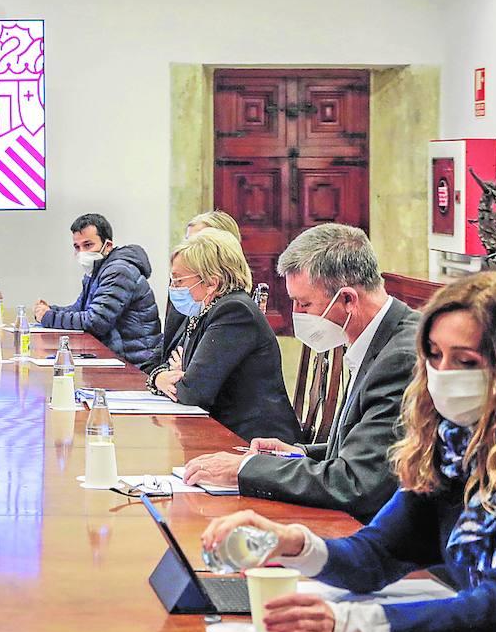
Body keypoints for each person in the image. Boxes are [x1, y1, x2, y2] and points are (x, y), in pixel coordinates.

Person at [201, 272, 496, 632]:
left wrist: (355, 624)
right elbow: (378, 554)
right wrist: (291, 543)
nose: (442, 374)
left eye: (467, 362)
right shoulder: (453, 448)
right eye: (435, 355)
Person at [182, 223, 419, 523]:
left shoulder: (400, 358)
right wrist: (298, 453)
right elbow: (365, 450)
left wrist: (245, 470)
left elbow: (357, 482)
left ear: (348, 299)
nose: (295, 314)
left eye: (304, 304)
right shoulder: (380, 336)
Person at [145, 229, 300, 442]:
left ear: (211, 283)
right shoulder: (205, 309)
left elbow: (193, 392)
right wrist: (159, 377)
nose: (173, 288)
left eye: (178, 281)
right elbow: (173, 367)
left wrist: (177, 377)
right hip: (222, 431)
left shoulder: (234, 312)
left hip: (255, 440)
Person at [33, 213, 162, 368]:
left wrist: (48, 317)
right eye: (77, 247)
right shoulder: (97, 271)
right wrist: (50, 310)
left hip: (134, 364)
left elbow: (96, 321)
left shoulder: (119, 271)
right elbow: (80, 309)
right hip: (114, 358)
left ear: (108, 246)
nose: (82, 252)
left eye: (88, 245)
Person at [156, 210, 243, 370]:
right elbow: (164, 352)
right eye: (187, 242)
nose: (188, 250)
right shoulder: (184, 289)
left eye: (198, 243)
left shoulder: (233, 308)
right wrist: (155, 376)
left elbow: (196, 373)